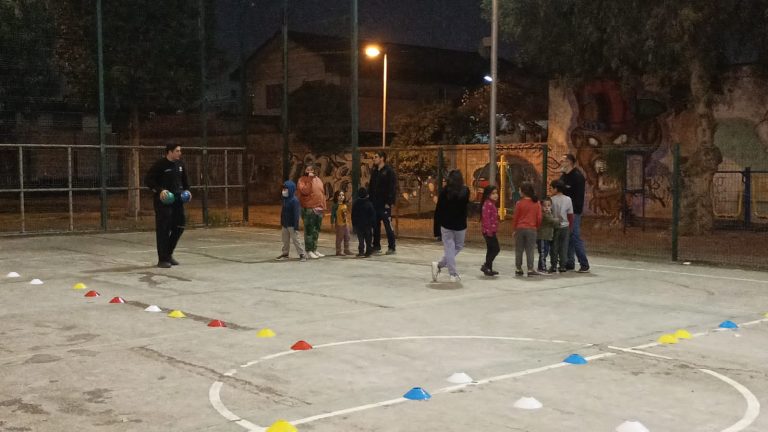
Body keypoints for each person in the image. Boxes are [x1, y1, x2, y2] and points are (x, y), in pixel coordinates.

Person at [145, 143, 190, 268]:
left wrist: (188, 191)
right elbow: (148, 180)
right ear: (169, 152)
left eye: (180, 151)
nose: (180, 153)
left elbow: (185, 182)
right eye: (177, 151)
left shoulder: (180, 164)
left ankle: (169, 254)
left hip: (178, 201)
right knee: (164, 229)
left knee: (179, 226)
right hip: (164, 202)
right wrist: (160, 190)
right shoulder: (160, 164)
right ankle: (162, 259)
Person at [432, 170, 470, 283]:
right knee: (454, 247)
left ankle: (439, 264)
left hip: (448, 224)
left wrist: (436, 229)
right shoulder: (466, 191)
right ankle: (453, 274)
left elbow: (438, 210)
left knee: (453, 248)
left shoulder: (445, 192)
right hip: (459, 225)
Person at [560, 153, 590, 272]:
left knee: (575, 236)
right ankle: (569, 262)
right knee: (569, 237)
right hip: (564, 211)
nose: (561, 162)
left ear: (569, 162)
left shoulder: (577, 177)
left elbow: (578, 197)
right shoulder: (564, 176)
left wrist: (573, 211)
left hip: (573, 212)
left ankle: (584, 263)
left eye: (563, 160)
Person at [368, 151, 397, 255]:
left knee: (388, 225)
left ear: (382, 158)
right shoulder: (375, 171)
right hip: (374, 204)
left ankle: (392, 247)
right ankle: (376, 246)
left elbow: (392, 188)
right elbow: (371, 187)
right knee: (375, 226)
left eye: (376, 157)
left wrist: (389, 202)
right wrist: (369, 200)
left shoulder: (389, 171)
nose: (374, 159)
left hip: (384, 204)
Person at [512, 182, 542, 277]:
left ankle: (518, 268)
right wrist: (536, 226)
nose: (519, 191)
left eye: (520, 190)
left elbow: (516, 217)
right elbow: (539, 217)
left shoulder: (519, 203)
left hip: (520, 228)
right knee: (530, 250)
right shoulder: (536, 203)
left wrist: (514, 229)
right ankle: (530, 268)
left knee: (519, 249)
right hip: (532, 229)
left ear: (523, 192)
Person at [297, 164, 327, 259]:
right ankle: (309, 250)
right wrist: (309, 180)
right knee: (309, 230)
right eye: (308, 169)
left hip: (319, 208)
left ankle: (314, 249)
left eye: (312, 169)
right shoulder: (302, 180)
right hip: (308, 209)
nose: (310, 170)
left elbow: (322, 193)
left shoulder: (318, 179)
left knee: (316, 230)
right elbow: (305, 191)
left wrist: (323, 207)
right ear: (305, 170)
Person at [276, 180, 307, 261]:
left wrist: (296, 225)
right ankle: (285, 253)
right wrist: (282, 222)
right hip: (285, 224)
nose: (284, 191)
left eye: (286, 189)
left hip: (292, 224)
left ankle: (302, 254)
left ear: (291, 189)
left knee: (296, 239)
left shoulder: (294, 201)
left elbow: (296, 214)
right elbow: (283, 212)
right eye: (283, 189)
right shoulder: (285, 199)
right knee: (285, 239)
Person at [549, 180, 574, 273]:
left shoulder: (552, 199)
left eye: (551, 188)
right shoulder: (568, 199)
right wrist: (571, 227)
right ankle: (563, 265)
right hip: (565, 226)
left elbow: (550, 213)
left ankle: (553, 265)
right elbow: (570, 215)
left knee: (554, 246)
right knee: (564, 247)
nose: (550, 190)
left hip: (555, 226)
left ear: (556, 189)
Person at [480, 185, 500, 277]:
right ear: (488, 195)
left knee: (490, 249)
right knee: (496, 249)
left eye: (496, 193)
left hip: (492, 231)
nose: (496, 195)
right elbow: (486, 219)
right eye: (493, 193)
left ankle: (488, 269)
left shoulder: (492, 204)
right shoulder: (487, 204)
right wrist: (489, 231)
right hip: (488, 232)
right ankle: (486, 266)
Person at [351, 187, 376, 257]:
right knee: (368, 239)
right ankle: (368, 252)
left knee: (361, 239)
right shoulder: (369, 204)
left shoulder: (355, 204)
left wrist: (354, 224)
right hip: (367, 225)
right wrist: (373, 225)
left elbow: (353, 215)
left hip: (359, 225)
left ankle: (361, 251)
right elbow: (372, 215)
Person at [537, 197, 558, 273]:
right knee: (543, 253)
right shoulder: (544, 215)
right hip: (542, 236)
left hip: (547, 236)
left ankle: (541, 266)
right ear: (541, 206)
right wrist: (559, 220)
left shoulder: (549, 214)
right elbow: (552, 221)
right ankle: (542, 267)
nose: (547, 207)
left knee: (545, 252)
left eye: (549, 205)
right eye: (544, 206)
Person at [331, 190, 352, 256]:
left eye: (342, 195)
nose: (341, 197)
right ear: (336, 197)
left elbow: (346, 214)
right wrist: (332, 223)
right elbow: (333, 215)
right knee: (339, 238)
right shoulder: (335, 205)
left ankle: (346, 250)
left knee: (347, 236)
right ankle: (338, 251)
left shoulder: (345, 205)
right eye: (339, 195)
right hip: (339, 224)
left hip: (346, 224)